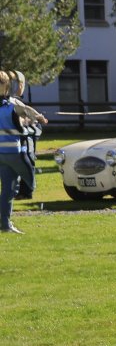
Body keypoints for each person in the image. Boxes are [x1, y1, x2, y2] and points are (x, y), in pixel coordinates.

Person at [2, 69, 47, 233]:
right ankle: (30, 189)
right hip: (13, 153)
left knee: (8, 189)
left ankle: (5, 225)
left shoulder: (11, 104)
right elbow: (26, 112)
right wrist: (38, 118)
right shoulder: (11, 105)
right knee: (29, 178)